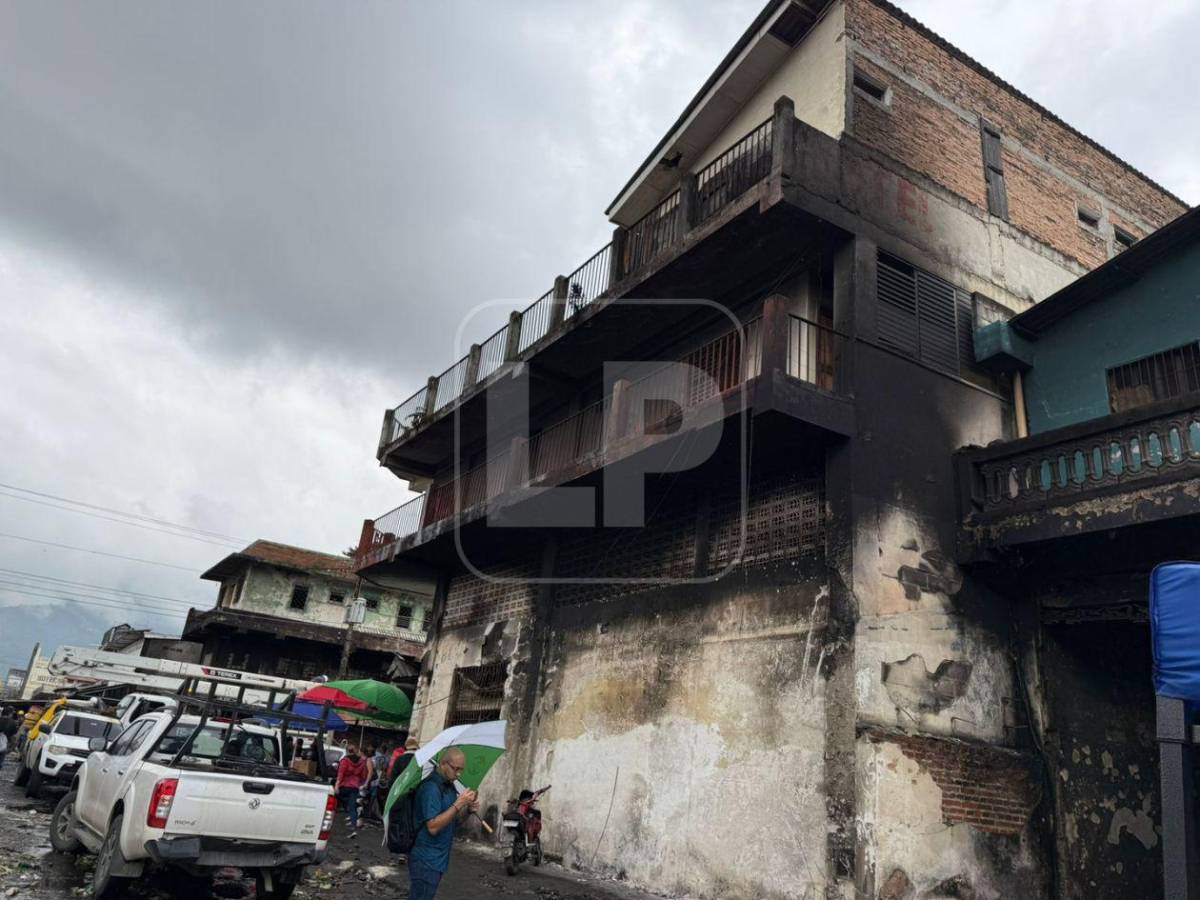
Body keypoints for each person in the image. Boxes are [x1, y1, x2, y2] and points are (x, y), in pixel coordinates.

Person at [409, 746, 478, 900]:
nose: (458, 774)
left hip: (439, 859)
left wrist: (467, 811)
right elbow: (433, 827)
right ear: (443, 764)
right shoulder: (431, 788)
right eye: (456, 769)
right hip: (426, 859)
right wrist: (458, 805)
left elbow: (452, 822)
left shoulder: (449, 787)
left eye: (461, 770)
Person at [334, 743, 369, 836]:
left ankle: (333, 818)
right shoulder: (362, 762)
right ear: (355, 751)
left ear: (347, 751)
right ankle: (353, 827)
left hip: (344, 786)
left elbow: (340, 774)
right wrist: (359, 782)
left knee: (335, 797)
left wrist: (337, 785)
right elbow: (363, 776)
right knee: (352, 807)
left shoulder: (345, 761)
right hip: (355, 787)